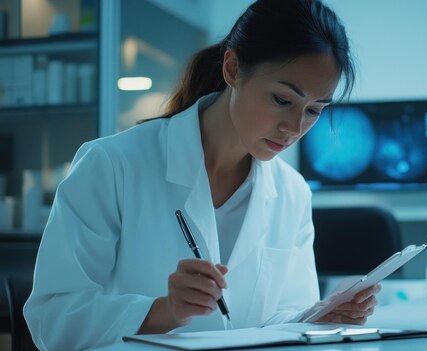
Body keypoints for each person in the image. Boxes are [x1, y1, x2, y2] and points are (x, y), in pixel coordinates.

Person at [24, 0, 381, 349]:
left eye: (314, 110)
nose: (294, 128)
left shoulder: (293, 192)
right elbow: (52, 320)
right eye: (283, 100)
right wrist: (165, 311)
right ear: (232, 69)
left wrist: (316, 318)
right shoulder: (112, 164)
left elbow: (272, 323)